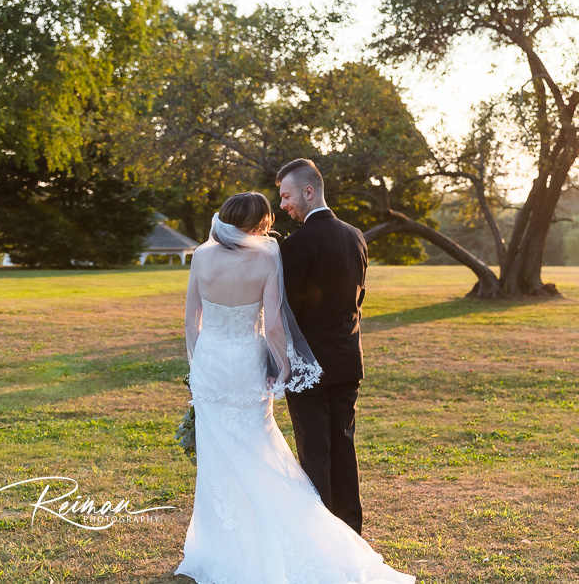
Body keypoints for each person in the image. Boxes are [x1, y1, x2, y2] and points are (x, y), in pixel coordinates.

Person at [175, 192, 413, 584]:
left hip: (211, 365)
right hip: (248, 364)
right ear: (258, 224)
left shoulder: (201, 256)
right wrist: (283, 367)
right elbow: (272, 325)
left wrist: (197, 367)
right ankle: (293, 530)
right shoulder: (268, 256)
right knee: (260, 447)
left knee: (219, 458)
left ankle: (226, 547)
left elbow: (191, 321)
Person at [275, 158, 368, 535]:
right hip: (347, 362)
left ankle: (322, 538)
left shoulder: (295, 245)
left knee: (315, 452)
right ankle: (351, 534)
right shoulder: (355, 236)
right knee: (344, 448)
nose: (283, 205)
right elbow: (357, 299)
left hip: (308, 368)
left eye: (287, 196)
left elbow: (288, 312)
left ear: (309, 192)